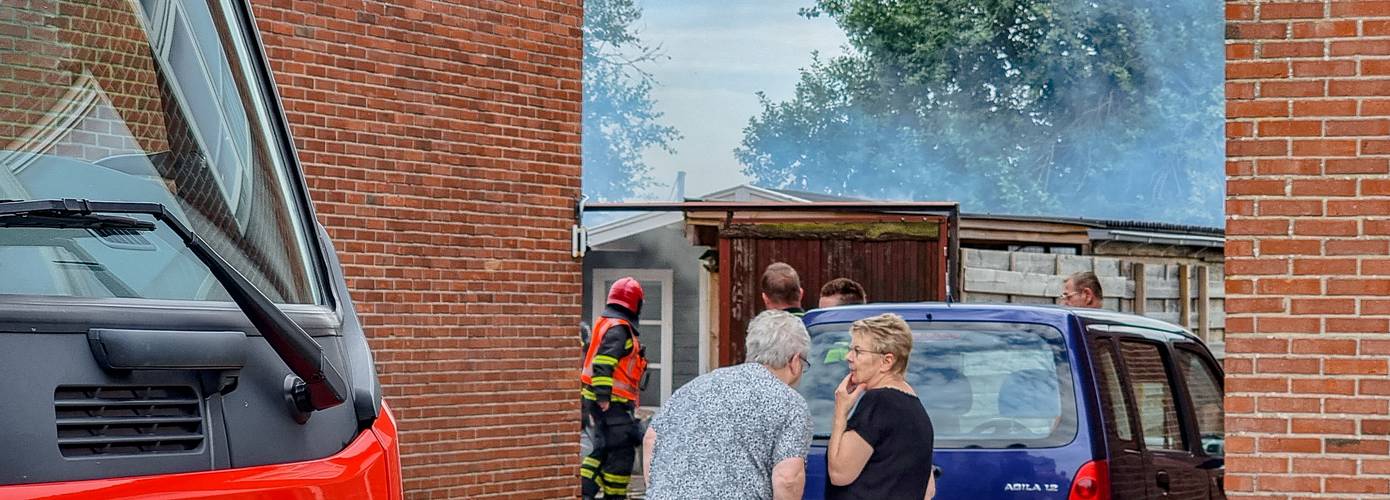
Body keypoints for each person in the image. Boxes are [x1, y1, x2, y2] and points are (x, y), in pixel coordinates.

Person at [642, 310, 813, 500]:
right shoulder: (790, 404)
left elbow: (651, 438)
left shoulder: (696, 386)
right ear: (795, 361)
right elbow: (787, 480)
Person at [826, 313, 934, 500]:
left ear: (887, 361)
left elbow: (839, 474)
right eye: (850, 349)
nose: (848, 357)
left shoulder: (879, 402)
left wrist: (841, 412)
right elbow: (928, 489)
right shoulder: (915, 406)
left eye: (858, 351)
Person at [580, 278, 649, 499]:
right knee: (622, 451)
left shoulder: (610, 324)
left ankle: (584, 492)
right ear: (635, 303)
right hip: (611, 404)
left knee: (604, 450)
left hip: (604, 402)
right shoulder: (619, 330)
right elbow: (604, 362)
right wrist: (604, 398)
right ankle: (614, 496)